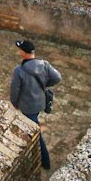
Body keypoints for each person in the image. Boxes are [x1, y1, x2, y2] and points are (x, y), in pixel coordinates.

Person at [10, 38, 61, 171]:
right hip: (40, 102)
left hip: (28, 106)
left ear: (23, 52)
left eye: (20, 49)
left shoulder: (19, 71)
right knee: (34, 123)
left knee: (35, 132)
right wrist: (44, 84)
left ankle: (45, 161)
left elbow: (15, 90)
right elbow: (57, 77)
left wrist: (14, 103)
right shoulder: (44, 64)